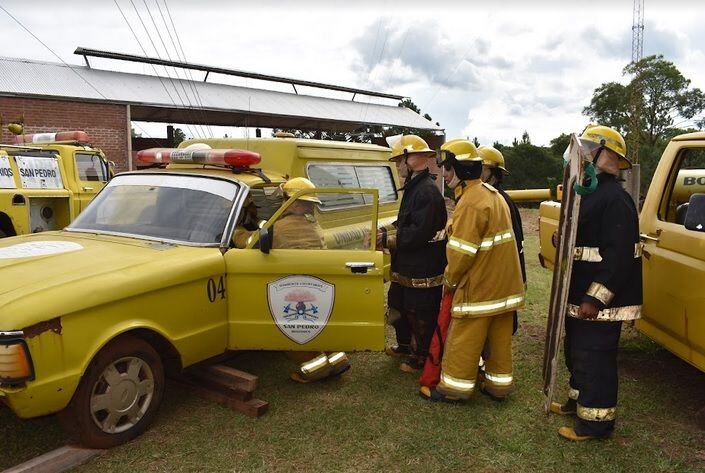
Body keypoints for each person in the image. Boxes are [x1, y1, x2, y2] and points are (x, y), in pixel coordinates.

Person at [551, 125, 642, 441]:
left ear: (608, 157)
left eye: (589, 149)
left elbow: (619, 258)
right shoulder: (588, 192)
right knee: (576, 352)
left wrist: (596, 299)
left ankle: (595, 423)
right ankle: (577, 402)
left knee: (595, 356)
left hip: (598, 303)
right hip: (576, 294)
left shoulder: (615, 199)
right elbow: (583, 238)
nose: (582, 156)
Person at [420, 142, 524, 402]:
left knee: (464, 339)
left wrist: (450, 281)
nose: (444, 174)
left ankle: (454, 389)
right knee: (499, 342)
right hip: (504, 288)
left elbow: (461, 252)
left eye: (447, 168)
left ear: (461, 169)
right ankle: (498, 386)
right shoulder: (493, 195)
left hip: (479, 288)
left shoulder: (471, 202)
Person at [272, 177, 351, 383]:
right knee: (318, 324)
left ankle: (315, 369)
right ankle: (338, 359)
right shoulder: (313, 224)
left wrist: (238, 233)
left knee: (291, 329)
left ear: (292, 201)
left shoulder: (279, 227)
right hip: (318, 284)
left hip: (292, 287)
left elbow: (254, 241)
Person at [380, 134, 447, 372]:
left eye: (400, 160)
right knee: (398, 304)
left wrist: (387, 239)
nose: (397, 166)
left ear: (416, 159)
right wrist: (386, 231)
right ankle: (405, 345)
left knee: (420, 312)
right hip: (407, 265)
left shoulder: (427, 192)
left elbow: (418, 233)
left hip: (423, 266)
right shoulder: (413, 188)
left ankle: (420, 357)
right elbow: (405, 223)